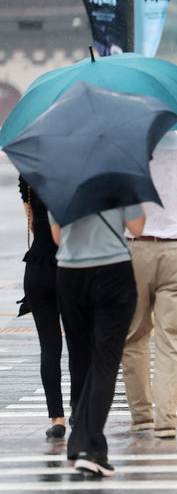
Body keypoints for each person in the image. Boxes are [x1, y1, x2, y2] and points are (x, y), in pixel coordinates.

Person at [122, 131, 177, 439]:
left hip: (137, 249)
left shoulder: (133, 152)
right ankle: (166, 418)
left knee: (135, 334)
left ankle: (142, 415)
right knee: (171, 337)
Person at [51, 205, 145, 477]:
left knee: (81, 358)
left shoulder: (58, 178)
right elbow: (137, 228)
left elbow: (57, 236)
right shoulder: (118, 175)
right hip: (113, 271)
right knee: (105, 362)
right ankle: (90, 450)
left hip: (69, 272)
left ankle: (83, 443)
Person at [18, 176, 65, 438]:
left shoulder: (29, 174)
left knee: (49, 347)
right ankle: (77, 409)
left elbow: (34, 226)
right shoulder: (73, 172)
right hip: (71, 268)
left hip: (37, 267)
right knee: (80, 346)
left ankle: (57, 417)